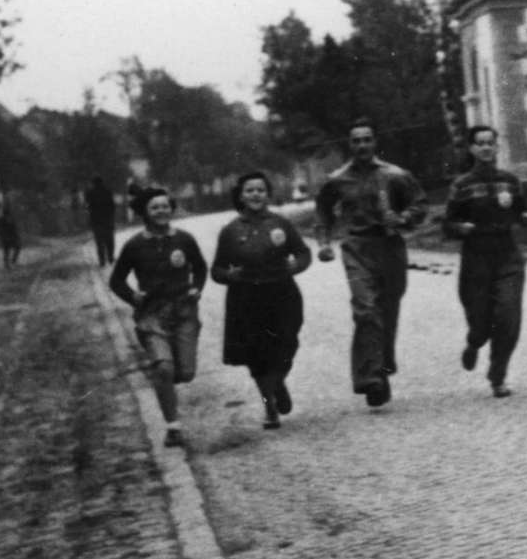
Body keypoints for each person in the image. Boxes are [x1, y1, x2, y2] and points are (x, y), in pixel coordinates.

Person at [314, 118, 429, 408]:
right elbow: (323, 212)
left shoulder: (395, 175)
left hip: (390, 248)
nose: (362, 145)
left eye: (367, 139)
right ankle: (370, 377)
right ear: (349, 144)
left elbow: (420, 204)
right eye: (356, 140)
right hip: (357, 249)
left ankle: (381, 370)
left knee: (387, 312)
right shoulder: (337, 179)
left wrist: (402, 218)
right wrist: (324, 243)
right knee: (366, 310)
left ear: (375, 142)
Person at [211, 172, 312, 430]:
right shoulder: (230, 230)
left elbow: (303, 253)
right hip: (246, 298)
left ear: (267, 195)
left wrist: (295, 266)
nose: (255, 194)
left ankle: (277, 383)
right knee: (256, 356)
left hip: (282, 294)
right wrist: (229, 275)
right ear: (241, 196)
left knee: (287, 343)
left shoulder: (281, 224)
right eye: (250, 190)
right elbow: (217, 270)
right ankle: (270, 407)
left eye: (260, 190)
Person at [108, 186, 208, 448]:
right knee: (164, 368)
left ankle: (165, 380)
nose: (161, 211)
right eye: (155, 207)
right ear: (145, 212)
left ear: (171, 209)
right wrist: (133, 297)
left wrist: (197, 287)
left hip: (184, 312)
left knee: (185, 372)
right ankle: (173, 427)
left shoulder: (184, 239)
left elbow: (200, 268)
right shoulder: (135, 245)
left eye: (165, 206)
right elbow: (116, 281)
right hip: (152, 315)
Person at [443, 125, 527, 398]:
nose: (485, 148)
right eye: (480, 143)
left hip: (508, 255)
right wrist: (460, 227)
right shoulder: (462, 185)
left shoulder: (510, 181)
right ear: (472, 148)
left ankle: (498, 376)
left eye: (490, 143)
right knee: (480, 323)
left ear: (497, 147)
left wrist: (526, 218)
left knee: (508, 318)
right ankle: (474, 342)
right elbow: (447, 223)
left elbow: (522, 211)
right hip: (476, 258)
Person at [85, 176, 117, 266]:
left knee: (99, 242)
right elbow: (112, 206)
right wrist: (111, 216)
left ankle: (102, 260)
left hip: (96, 221)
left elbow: (88, 206)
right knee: (109, 241)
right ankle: (110, 257)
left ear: (94, 183)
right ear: (102, 182)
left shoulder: (90, 193)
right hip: (107, 220)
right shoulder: (107, 191)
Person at [0, 205, 21, 269]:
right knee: (14, 248)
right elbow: (14, 228)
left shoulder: (2, 219)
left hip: (7, 237)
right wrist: (16, 236)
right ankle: (11, 262)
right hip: (9, 237)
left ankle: (8, 263)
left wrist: (1, 236)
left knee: (7, 250)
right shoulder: (9, 219)